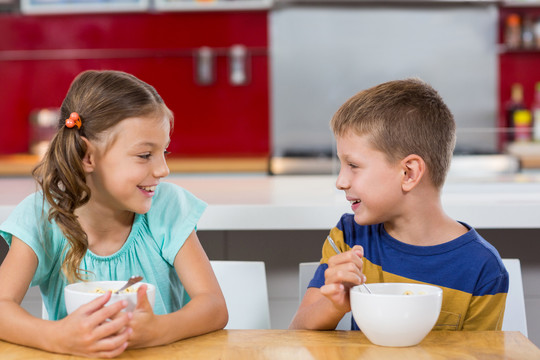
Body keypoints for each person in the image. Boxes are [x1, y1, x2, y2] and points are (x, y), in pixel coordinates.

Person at [0, 70, 228, 357]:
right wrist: (56, 337)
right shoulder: (43, 217)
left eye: (164, 153)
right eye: (145, 155)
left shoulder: (166, 209)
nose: (162, 170)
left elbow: (214, 306)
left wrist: (158, 330)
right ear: (88, 156)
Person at [289, 78, 508, 331]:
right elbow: (297, 332)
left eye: (353, 165)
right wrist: (335, 305)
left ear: (408, 173)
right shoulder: (348, 237)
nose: (340, 181)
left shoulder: (483, 268)